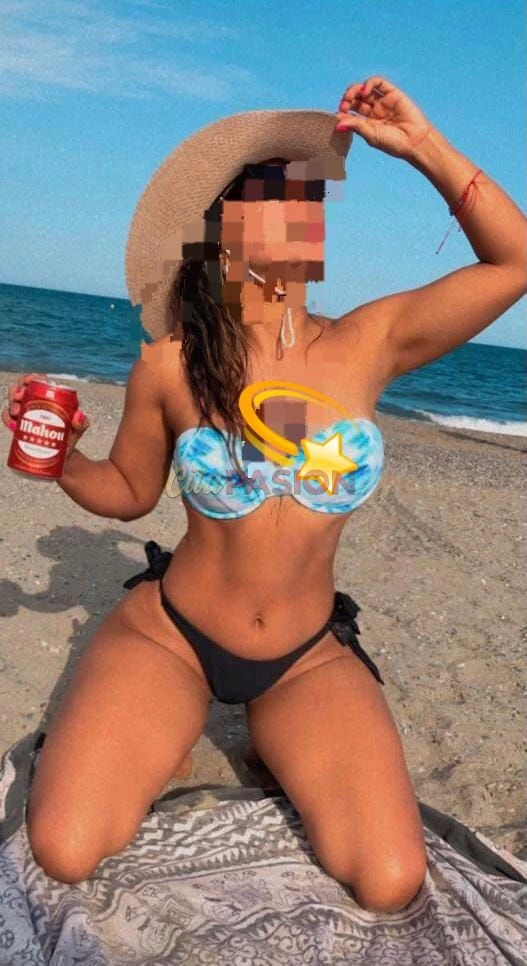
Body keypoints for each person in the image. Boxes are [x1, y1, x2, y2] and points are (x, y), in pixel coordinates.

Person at [4, 76, 525, 912]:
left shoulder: (368, 343)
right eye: (273, 192)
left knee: (389, 881)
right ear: (221, 231)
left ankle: (269, 741)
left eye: (308, 196)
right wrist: (63, 461)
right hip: (171, 636)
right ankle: (161, 726)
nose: (303, 205)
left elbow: (514, 261)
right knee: (64, 849)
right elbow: (129, 490)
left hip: (304, 653)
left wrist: (419, 145)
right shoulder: (171, 363)